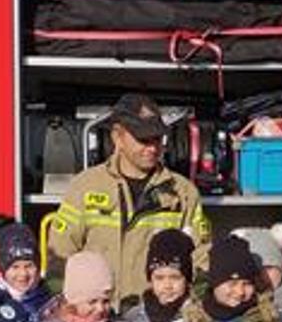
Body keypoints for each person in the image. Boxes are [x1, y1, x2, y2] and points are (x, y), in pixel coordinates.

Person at [44, 93, 209, 306]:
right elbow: (61, 256)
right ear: (117, 137)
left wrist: (195, 311)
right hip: (99, 320)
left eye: (157, 139)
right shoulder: (85, 187)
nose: (152, 148)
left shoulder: (183, 193)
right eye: (143, 139)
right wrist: (65, 310)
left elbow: (201, 259)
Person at [233, 225, 282, 312]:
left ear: (281, 265)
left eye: (268, 268)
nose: (263, 276)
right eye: (255, 272)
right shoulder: (243, 306)